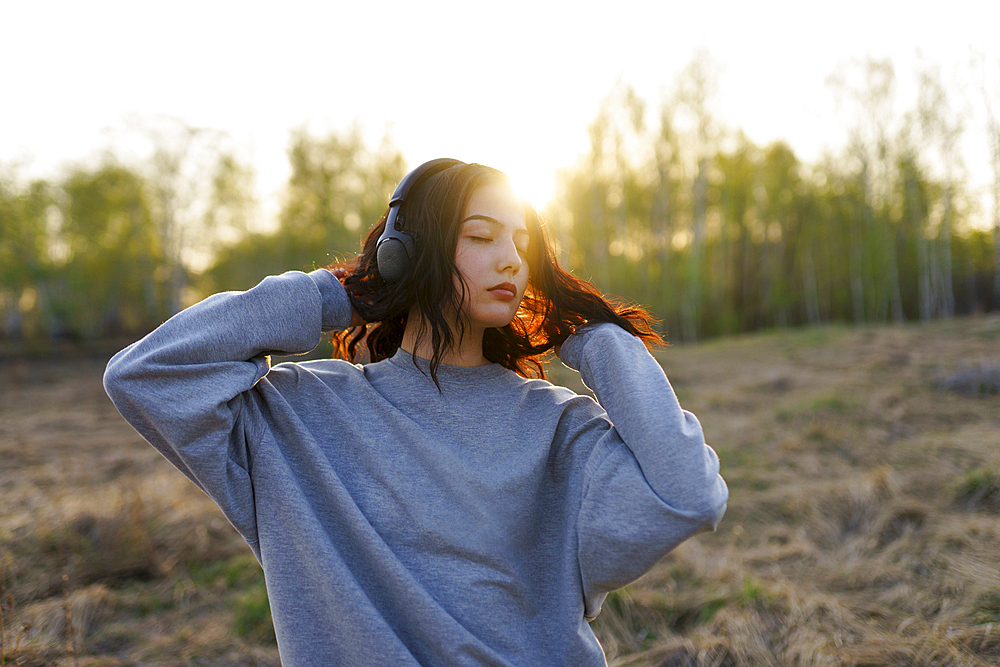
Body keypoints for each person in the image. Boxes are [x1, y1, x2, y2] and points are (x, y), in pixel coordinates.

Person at [104, 159, 728, 666]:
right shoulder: (296, 419)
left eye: (521, 242)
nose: (512, 257)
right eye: (482, 236)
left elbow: (689, 496)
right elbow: (146, 376)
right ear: (407, 252)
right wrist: (341, 292)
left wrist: (592, 338)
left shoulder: (558, 429)